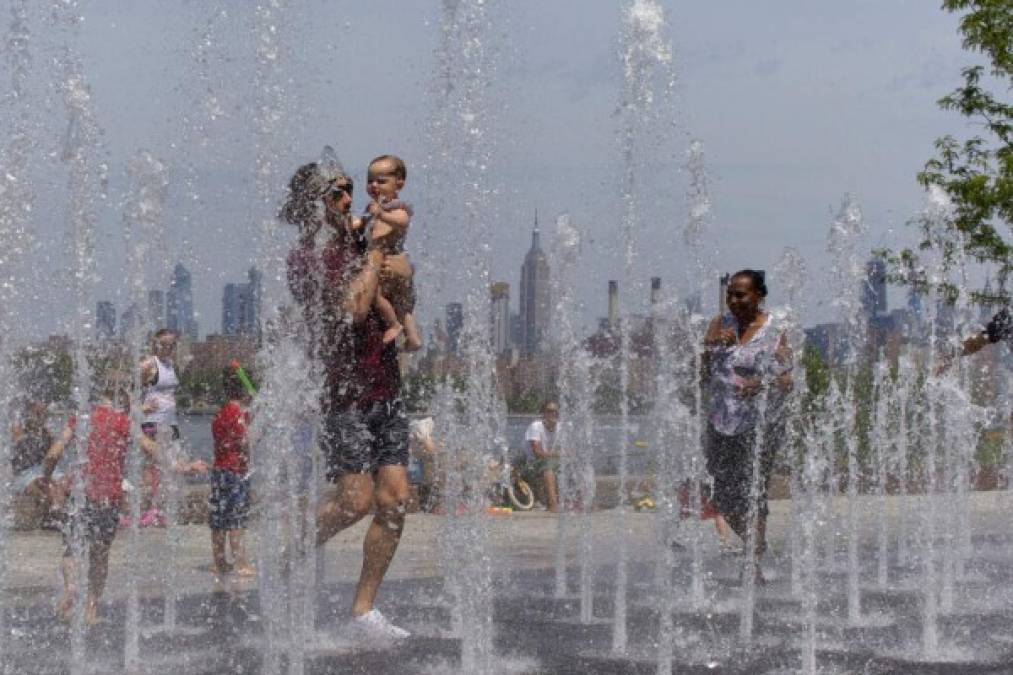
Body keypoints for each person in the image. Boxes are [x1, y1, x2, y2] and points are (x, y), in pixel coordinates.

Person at [285, 158, 415, 640]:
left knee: (396, 499)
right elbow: (356, 311)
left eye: (347, 189)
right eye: (335, 193)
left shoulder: (362, 236)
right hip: (344, 394)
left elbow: (400, 261)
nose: (347, 198)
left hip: (387, 387)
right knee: (355, 502)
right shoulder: (307, 259)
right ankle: (291, 548)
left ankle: (363, 611)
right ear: (311, 206)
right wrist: (378, 257)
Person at [47, 370, 205, 625]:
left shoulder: (80, 418)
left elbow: (54, 453)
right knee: (100, 554)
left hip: (79, 494)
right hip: (107, 497)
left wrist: (46, 476)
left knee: (70, 548)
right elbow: (152, 450)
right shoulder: (123, 422)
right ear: (122, 395)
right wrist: (181, 467)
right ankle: (90, 609)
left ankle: (71, 588)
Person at [701, 269, 792, 582]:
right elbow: (700, 376)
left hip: (759, 425)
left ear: (759, 296)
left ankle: (752, 565)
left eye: (741, 294)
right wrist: (711, 347)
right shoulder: (718, 325)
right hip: (720, 422)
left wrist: (761, 383)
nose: (734, 301)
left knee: (754, 493)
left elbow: (787, 379)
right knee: (719, 495)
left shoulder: (774, 330)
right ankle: (757, 542)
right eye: (730, 294)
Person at [359, 154, 422, 351]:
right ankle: (413, 338)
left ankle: (394, 324)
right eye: (370, 181)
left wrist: (382, 214)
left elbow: (402, 221)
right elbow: (361, 222)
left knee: (376, 294)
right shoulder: (374, 209)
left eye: (381, 181)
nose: (374, 185)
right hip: (389, 264)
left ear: (399, 183)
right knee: (401, 305)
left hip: (392, 262)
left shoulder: (397, 207)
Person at [209, 367, 255, 579]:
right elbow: (245, 441)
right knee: (236, 519)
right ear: (245, 391)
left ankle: (219, 562)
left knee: (219, 518)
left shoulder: (220, 413)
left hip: (219, 470)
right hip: (237, 471)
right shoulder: (240, 414)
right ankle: (241, 562)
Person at [137, 328, 183, 528]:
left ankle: (159, 509)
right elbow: (124, 389)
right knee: (151, 466)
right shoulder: (149, 364)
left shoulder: (172, 365)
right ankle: (150, 511)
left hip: (170, 424)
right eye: (163, 344)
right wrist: (142, 407)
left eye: (171, 344)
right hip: (152, 423)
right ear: (155, 344)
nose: (167, 348)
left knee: (166, 466)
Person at [10, 400, 74, 512]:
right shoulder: (18, 432)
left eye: (44, 415)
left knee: (63, 482)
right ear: (28, 413)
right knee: (39, 483)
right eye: (37, 414)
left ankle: (59, 510)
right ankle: (54, 509)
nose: (41, 417)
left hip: (45, 470)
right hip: (26, 474)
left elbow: (52, 456)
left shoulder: (46, 433)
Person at [525, 400, 561, 512]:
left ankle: (584, 504)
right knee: (548, 467)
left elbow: (569, 450)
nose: (553, 414)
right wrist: (558, 455)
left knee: (575, 465)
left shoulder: (561, 427)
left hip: (550, 461)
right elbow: (537, 452)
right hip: (531, 463)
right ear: (544, 413)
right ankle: (553, 505)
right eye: (550, 411)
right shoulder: (536, 426)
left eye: (556, 412)